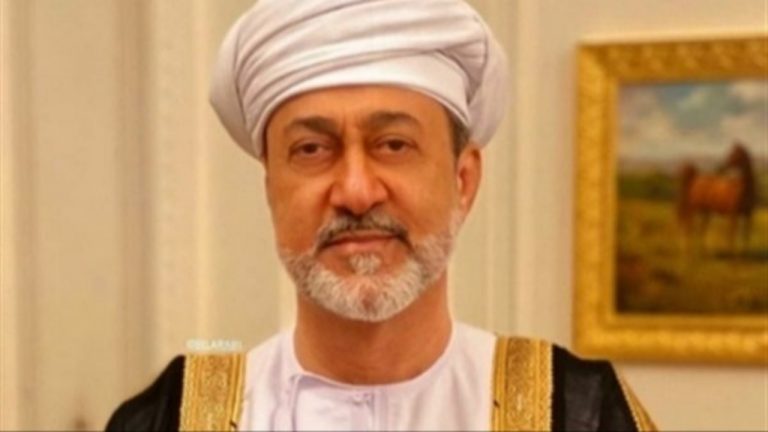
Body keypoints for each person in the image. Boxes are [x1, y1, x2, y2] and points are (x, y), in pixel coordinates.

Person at [106, 0, 655, 430]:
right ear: (271, 188)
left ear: (463, 181)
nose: (356, 191)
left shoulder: (578, 412)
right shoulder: (168, 418)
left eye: (393, 145)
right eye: (311, 150)